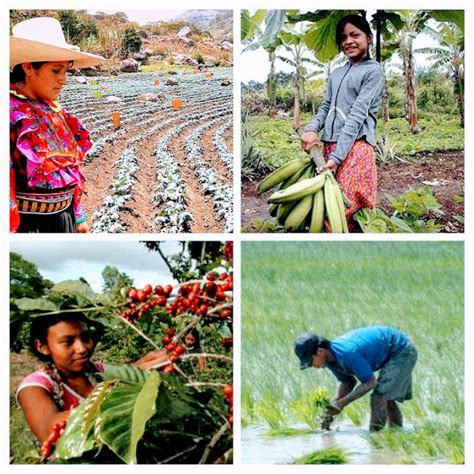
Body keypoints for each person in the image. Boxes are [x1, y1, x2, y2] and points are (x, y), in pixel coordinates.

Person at [10, 17, 105, 233]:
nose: (63, 79)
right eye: (55, 71)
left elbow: (69, 172)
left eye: (65, 71)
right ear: (28, 67)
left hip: (64, 221)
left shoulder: (55, 111)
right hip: (27, 226)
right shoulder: (9, 112)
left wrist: (78, 217)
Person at [16, 312, 168, 445]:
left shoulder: (99, 371)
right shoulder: (35, 386)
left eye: (85, 337)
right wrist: (118, 391)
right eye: (68, 342)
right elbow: (49, 432)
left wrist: (140, 369)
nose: (82, 349)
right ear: (42, 347)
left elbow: (127, 373)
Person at [300, 14, 385, 231]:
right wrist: (311, 129)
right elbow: (326, 107)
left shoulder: (373, 71)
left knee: (344, 208)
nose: (348, 41)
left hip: (356, 147)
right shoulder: (336, 74)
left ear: (368, 37)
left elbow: (357, 115)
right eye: (343, 37)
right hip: (329, 147)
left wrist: (337, 158)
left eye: (355, 35)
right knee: (324, 208)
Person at [294, 325, 418, 431]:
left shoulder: (347, 353)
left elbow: (370, 382)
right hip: (387, 351)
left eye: (310, 361)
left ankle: (376, 439)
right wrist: (329, 412)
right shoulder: (330, 360)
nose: (312, 366)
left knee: (380, 397)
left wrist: (341, 403)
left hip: (401, 350)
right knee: (387, 398)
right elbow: (348, 382)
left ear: (320, 351)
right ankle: (396, 436)